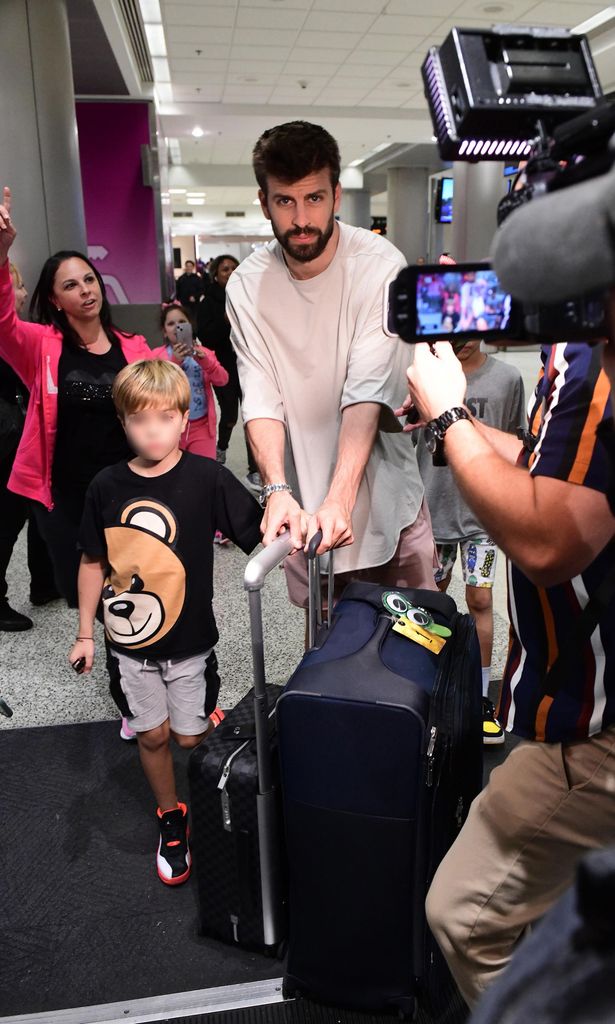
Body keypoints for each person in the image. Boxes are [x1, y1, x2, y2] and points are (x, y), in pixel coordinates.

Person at [399, 330, 615, 1008]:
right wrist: (458, 427)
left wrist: (451, 418)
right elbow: (566, 471)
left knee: (463, 913)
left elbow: (547, 539)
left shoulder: (587, 361)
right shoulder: (582, 356)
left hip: (593, 721)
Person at [226, 120, 436, 611]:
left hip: (386, 501)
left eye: (314, 199)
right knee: (327, 653)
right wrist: (276, 488)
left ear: (337, 195)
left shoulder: (380, 265)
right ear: (264, 203)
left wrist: (341, 497)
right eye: (285, 201)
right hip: (302, 509)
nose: (302, 219)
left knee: (416, 644)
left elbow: (364, 394)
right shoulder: (247, 286)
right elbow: (261, 396)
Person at [69, 359, 262, 885]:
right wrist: (86, 633)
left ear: (184, 419)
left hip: (191, 642)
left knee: (189, 740)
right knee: (151, 736)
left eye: (163, 417)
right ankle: (171, 817)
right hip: (128, 645)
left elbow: (262, 536)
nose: (150, 429)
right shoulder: (105, 485)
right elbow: (92, 561)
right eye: (138, 419)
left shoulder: (208, 477)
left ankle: (203, 718)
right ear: (123, 422)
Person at [0, 185, 154, 740]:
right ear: (55, 299)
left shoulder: (134, 347)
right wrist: (1, 255)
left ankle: (131, 692)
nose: (85, 289)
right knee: (86, 588)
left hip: (129, 492)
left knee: (134, 588)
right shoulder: (40, 345)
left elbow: (161, 410)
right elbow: (1, 326)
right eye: (71, 285)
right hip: (66, 497)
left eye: (89, 279)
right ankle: (127, 670)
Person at [415, 337, 525, 744]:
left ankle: (479, 698)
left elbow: (517, 443)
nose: (460, 342)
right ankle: (423, 690)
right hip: (433, 508)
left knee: (481, 601)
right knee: (429, 603)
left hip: (483, 513)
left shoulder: (506, 378)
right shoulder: (427, 377)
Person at [0, 262, 58, 630]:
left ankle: (45, 582)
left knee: (34, 513)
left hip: (16, 438)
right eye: (17, 287)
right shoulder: (12, 338)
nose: (22, 294)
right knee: (7, 522)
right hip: (6, 440)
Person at [196, 254, 261, 490]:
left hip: (250, 364)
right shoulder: (209, 303)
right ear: (215, 275)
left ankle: (255, 469)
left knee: (252, 415)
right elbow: (205, 336)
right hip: (223, 366)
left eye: (235, 268)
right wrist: (225, 321)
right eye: (225, 269)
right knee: (231, 415)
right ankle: (221, 448)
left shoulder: (248, 297)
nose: (231, 272)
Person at [155, 301, 228, 460]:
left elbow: (222, 380)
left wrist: (205, 361)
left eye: (182, 322)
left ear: (190, 326)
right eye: (171, 323)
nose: (177, 327)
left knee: (203, 472)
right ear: (164, 331)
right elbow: (155, 388)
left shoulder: (204, 353)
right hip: (169, 428)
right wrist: (175, 361)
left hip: (202, 427)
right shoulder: (158, 356)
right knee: (173, 474)